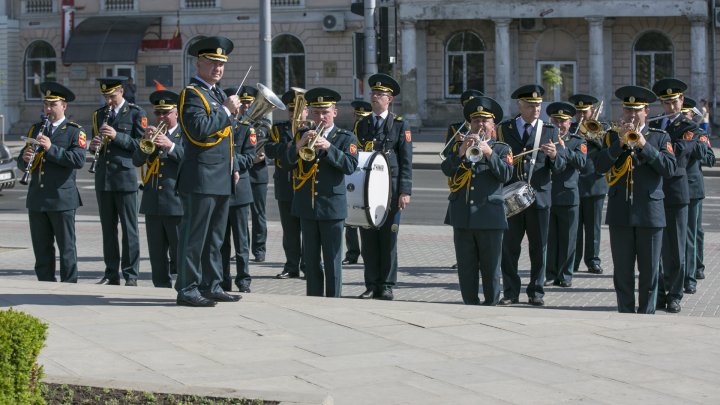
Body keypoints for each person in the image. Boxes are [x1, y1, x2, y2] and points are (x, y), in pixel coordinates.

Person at [594, 85, 676, 314]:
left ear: (646, 111)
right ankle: (625, 312)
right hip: (621, 211)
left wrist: (643, 145)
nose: (631, 115)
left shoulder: (659, 137)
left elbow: (669, 168)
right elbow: (598, 166)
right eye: (627, 110)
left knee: (649, 272)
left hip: (650, 212)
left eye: (636, 110)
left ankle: (647, 314)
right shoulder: (612, 136)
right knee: (622, 271)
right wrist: (619, 144)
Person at [175, 36, 242, 307]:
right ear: (199, 63)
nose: (218, 68)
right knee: (195, 237)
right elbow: (198, 130)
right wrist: (226, 110)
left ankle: (211, 284)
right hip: (201, 176)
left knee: (215, 238)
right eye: (212, 62)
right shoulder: (191, 94)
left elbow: (226, 136)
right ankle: (187, 288)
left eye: (221, 63)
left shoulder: (216, 93)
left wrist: (234, 165)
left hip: (221, 175)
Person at [281, 87, 359, 297]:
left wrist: (329, 148)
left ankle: (334, 300)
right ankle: (313, 300)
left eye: (325, 112)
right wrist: (298, 145)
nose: (320, 117)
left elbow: (350, 166)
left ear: (335, 112)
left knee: (333, 260)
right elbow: (285, 164)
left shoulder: (346, 137)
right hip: (307, 205)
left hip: (332, 207)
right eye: (316, 112)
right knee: (311, 260)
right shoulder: (302, 134)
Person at [497, 84, 564, 306]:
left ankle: (536, 291)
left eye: (538, 105)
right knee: (509, 248)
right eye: (531, 105)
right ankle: (510, 291)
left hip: (539, 199)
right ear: (520, 105)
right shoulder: (504, 129)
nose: (536, 109)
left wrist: (555, 156)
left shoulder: (550, 130)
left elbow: (560, 166)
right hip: (511, 198)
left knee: (538, 248)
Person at [441, 96, 512, 305]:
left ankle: (491, 303)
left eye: (485, 121)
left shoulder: (501, 148)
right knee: (466, 266)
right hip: (463, 215)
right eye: (476, 121)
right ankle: (469, 303)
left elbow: (506, 175)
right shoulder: (459, 146)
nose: (480, 124)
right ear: (470, 124)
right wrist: (462, 151)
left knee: (491, 267)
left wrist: (489, 154)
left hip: (490, 216)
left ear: (493, 125)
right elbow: (447, 170)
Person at [17, 82, 86, 282]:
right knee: (41, 249)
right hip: (37, 198)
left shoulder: (74, 131)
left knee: (66, 249)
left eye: (53, 104)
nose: (48, 109)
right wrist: (24, 159)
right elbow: (23, 162)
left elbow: (78, 160)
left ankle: (69, 286)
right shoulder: (36, 129)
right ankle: (44, 285)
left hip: (62, 198)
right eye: (46, 104)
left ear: (64, 106)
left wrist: (51, 148)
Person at [354, 74, 413, 300]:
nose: (375, 97)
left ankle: (387, 284)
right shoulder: (363, 124)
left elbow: (406, 160)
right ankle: (371, 284)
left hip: (391, 190)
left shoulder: (400, 125)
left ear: (390, 99)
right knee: (368, 241)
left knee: (388, 240)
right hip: (367, 189)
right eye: (373, 94)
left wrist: (405, 191)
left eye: (380, 94)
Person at [650, 78, 701, 313]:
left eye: (674, 102)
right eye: (665, 102)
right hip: (654, 192)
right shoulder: (654, 123)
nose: (670, 107)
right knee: (656, 248)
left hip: (677, 193)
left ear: (681, 100)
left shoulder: (689, 127)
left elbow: (680, 155)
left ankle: (675, 294)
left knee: (676, 248)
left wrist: (655, 147)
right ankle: (658, 293)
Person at [91, 76, 146, 286]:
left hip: (126, 178)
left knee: (129, 229)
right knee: (108, 229)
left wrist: (117, 136)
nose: (108, 101)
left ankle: (131, 275)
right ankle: (111, 273)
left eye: (112, 96)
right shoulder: (98, 115)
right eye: (105, 96)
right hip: (103, 178)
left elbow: (142, 145)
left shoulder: (135, 113)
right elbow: (94, 141)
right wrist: (93, 146)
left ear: (121, 92)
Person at [131, 90, 184, 288]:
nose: (162, 117)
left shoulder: (184, 135)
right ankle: (160, 287)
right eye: (158, 113)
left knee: (180, 251)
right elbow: (136, 160)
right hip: (153, 203)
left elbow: (191, 161)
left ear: (176, 112)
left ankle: (184, 287)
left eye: (166, 113)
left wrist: (171, 146)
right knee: (156, 253)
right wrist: (145, 142)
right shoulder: (152, 136)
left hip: (176, 201)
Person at [545, 102, 586, 288]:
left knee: (568, 239)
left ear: (570, 122)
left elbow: (581, 162)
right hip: (547, 195)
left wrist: (563, 149)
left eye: (563, 121)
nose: (559, 125)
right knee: (550, 238)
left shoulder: (578, 141)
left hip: (568, 196)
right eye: (555, 120)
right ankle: (550, 273)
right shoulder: (544, 139)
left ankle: (565, 275)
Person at [220, 86, 257, 293]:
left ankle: (243, 279)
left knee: (241, 240)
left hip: (240, 190)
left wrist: (232, 162)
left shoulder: (245, 128)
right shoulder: (217, 126)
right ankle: (224, 278)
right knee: (221, 241)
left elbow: (250, 157)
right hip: (220, 189)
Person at [266, 90, 305, 279]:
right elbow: (269, 149)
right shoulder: (278, 129)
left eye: (298, 109)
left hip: (306, 185)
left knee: (307, 230)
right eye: (291, 109)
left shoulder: (310, 129)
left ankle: (308, 265)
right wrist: (288, 146)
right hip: (286, 185)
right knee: (290, 231)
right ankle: (291, 266)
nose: (294, 113)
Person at [569, 94, 607, 275]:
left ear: (592, 111)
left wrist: (593, 135)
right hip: (575, 183)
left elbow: (607, 149)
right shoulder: (571, 129)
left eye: (584, 112)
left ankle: (593, 261)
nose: (581, 116)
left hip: (595, 182)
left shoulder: (603, 127)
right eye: (578, 112)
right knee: (575, 227)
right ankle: (573, 261)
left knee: (593, 227)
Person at [679, 97, 712, 296]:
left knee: (693, 234)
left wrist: (693, 143)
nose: (682, 115)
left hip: (692, 189)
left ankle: (692, 274)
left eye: (685, 113)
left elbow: (708, 158)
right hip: (673, 188)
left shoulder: (699, 133)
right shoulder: (668, 131)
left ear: (691, 115)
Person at [237, 86, 270, 263]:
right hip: (242, 173)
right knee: (241, 216)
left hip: (258, 173)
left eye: (249, 102)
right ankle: (242, 249)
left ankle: (259, 250)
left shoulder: (264, 124)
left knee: (258, 214)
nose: (246, 106)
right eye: (243, 103)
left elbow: (267, 145)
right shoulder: (237, 123)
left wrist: (262, 155)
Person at [343, 100, 372, 265]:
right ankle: (352, 253)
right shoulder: (349, 134)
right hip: (352, 175)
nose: (358, 120)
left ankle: (368, 254)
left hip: (367, 176)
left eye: (362, 117)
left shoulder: (370, 132)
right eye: (357, 116)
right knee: (350, 216)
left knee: (366, 217)